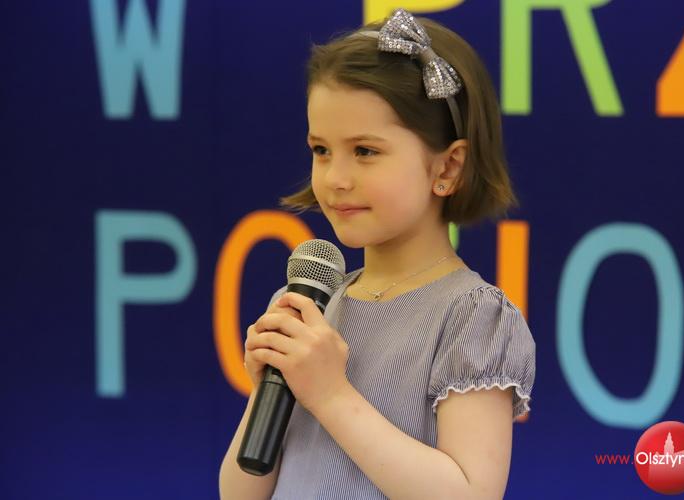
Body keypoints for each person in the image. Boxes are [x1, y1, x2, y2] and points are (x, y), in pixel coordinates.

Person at [219, 8, 536, 499]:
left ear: (448, 168)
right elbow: (240, 493)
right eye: (321, 150)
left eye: (365, 151)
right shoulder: (307, 307)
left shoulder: (471, 318)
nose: (335, 178)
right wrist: (269, 391)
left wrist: (330, 395)